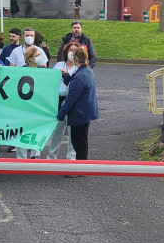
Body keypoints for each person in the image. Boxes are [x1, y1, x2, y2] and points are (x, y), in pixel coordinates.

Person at [8, 27, 48, 159]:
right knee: (22, 127)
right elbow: (11, 73)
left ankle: (35, 153)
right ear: (23, 36)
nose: (29, 37)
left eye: (31, 35)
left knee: (37, 126)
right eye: (27, 35)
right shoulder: (16, 52)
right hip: (23, 101)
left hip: (37, 102)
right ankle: (21, 155)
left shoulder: (41, 51)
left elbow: (47, 75)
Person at [57, 47, 99, 162]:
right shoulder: (87, 71)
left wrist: (61, 114)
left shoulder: (79, 77)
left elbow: (71, 98)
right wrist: (67, 77)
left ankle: (80, 168)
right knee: (82, 141)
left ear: (75, 58)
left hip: (79, 114)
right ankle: (81, 166)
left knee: (78, 143)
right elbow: (75, 85)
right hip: (86, 112)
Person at [48, 42, 79, 160]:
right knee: (56, 131)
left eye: (75, 51)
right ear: (66, 52)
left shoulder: (79, 67)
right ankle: (51, 156)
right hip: (58, 100)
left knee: (72, 133)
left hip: (71, 102)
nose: (72, 53)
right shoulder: (59, 65)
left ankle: (71, 158)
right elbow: (50, 82)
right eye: (70, 50)